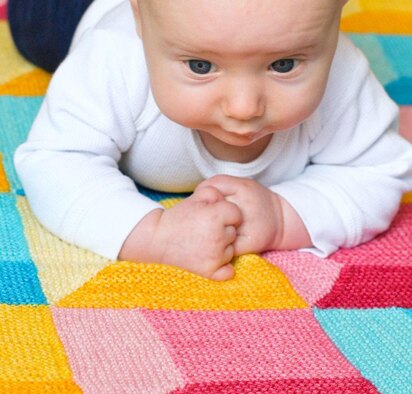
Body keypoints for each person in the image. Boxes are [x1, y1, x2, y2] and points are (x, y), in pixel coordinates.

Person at [14, 0, 412, 281]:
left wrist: (283, 216)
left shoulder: (343, 73)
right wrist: (152, 235)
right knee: (35, 27)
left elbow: (377, 172)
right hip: (72, 11)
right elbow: (56, 159)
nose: (243, 108)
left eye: (284, 65)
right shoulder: (113, 58)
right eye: (200, 66)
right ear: (138, 18)